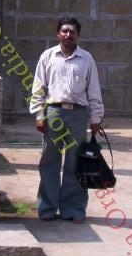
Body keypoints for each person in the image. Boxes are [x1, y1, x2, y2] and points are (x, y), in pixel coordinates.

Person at [30, 16, 104, 223]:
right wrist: (39, 115)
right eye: (64, 31)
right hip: (53, 113)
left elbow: (94, 90)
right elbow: (38, 88)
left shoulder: (86, 59)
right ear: (58, 34)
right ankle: (47, 208)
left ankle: (73, 209)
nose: (68, 35)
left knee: (75, 163)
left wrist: (96, 117)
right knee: (49, 161)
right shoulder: (48, 56)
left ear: (77, 35)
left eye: (72, 31)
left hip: (78, 115)